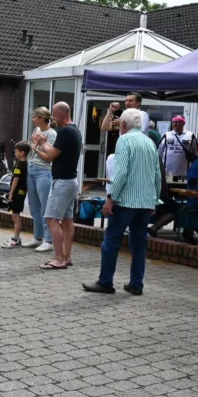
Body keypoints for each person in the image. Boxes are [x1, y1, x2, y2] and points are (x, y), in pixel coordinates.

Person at [84, 108, 161, 296]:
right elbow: (157, 175)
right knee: (139, 244)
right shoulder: (150, 143)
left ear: (124, 124)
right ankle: (136, 284)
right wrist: (154, 201)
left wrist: (110, 198)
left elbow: (120, 173)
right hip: (145, 202)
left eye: (119, 124)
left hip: (126, 201)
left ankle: (105, 281)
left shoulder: (124, 140)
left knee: (111, 240)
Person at [39, 103, 83, 271]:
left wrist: (42, 142)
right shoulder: (75, 130)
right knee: (67, 220)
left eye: (53, 115)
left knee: (51, 219)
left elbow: (51, 155)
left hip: (63, 182)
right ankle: (67, 256)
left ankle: (59, 258)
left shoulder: (64, 132)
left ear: (59, 114)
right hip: (71, 181)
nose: (52, 118)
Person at [27, 107, 56, 252]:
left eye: (35, 117)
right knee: (34, 206)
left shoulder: (52, 134)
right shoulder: (36, 130)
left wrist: (36, 148)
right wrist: (34, 148)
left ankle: (48, 240)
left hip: (44, 171)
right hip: (31, 168)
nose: (33, 120)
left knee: (45, 206)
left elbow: (48, 157)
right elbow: (33, 147)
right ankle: (37, 237)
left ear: (41, 117)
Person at [2, 141, 31, 248]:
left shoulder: (19, 164)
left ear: (22, 152)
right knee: (16, 214)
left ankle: (16, 239)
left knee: (16, 215)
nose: (15, 153)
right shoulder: (27, 164)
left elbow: (15, 180)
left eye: (16, 151)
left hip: (17, 193)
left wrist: (11, 194)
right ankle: (16, 237)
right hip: (22, 192)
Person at [148, 155, 180, 237]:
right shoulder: (155, 157)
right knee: (175, 208)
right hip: (153, 195)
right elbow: (162, 178)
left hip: (141, 194)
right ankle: (154, 228)